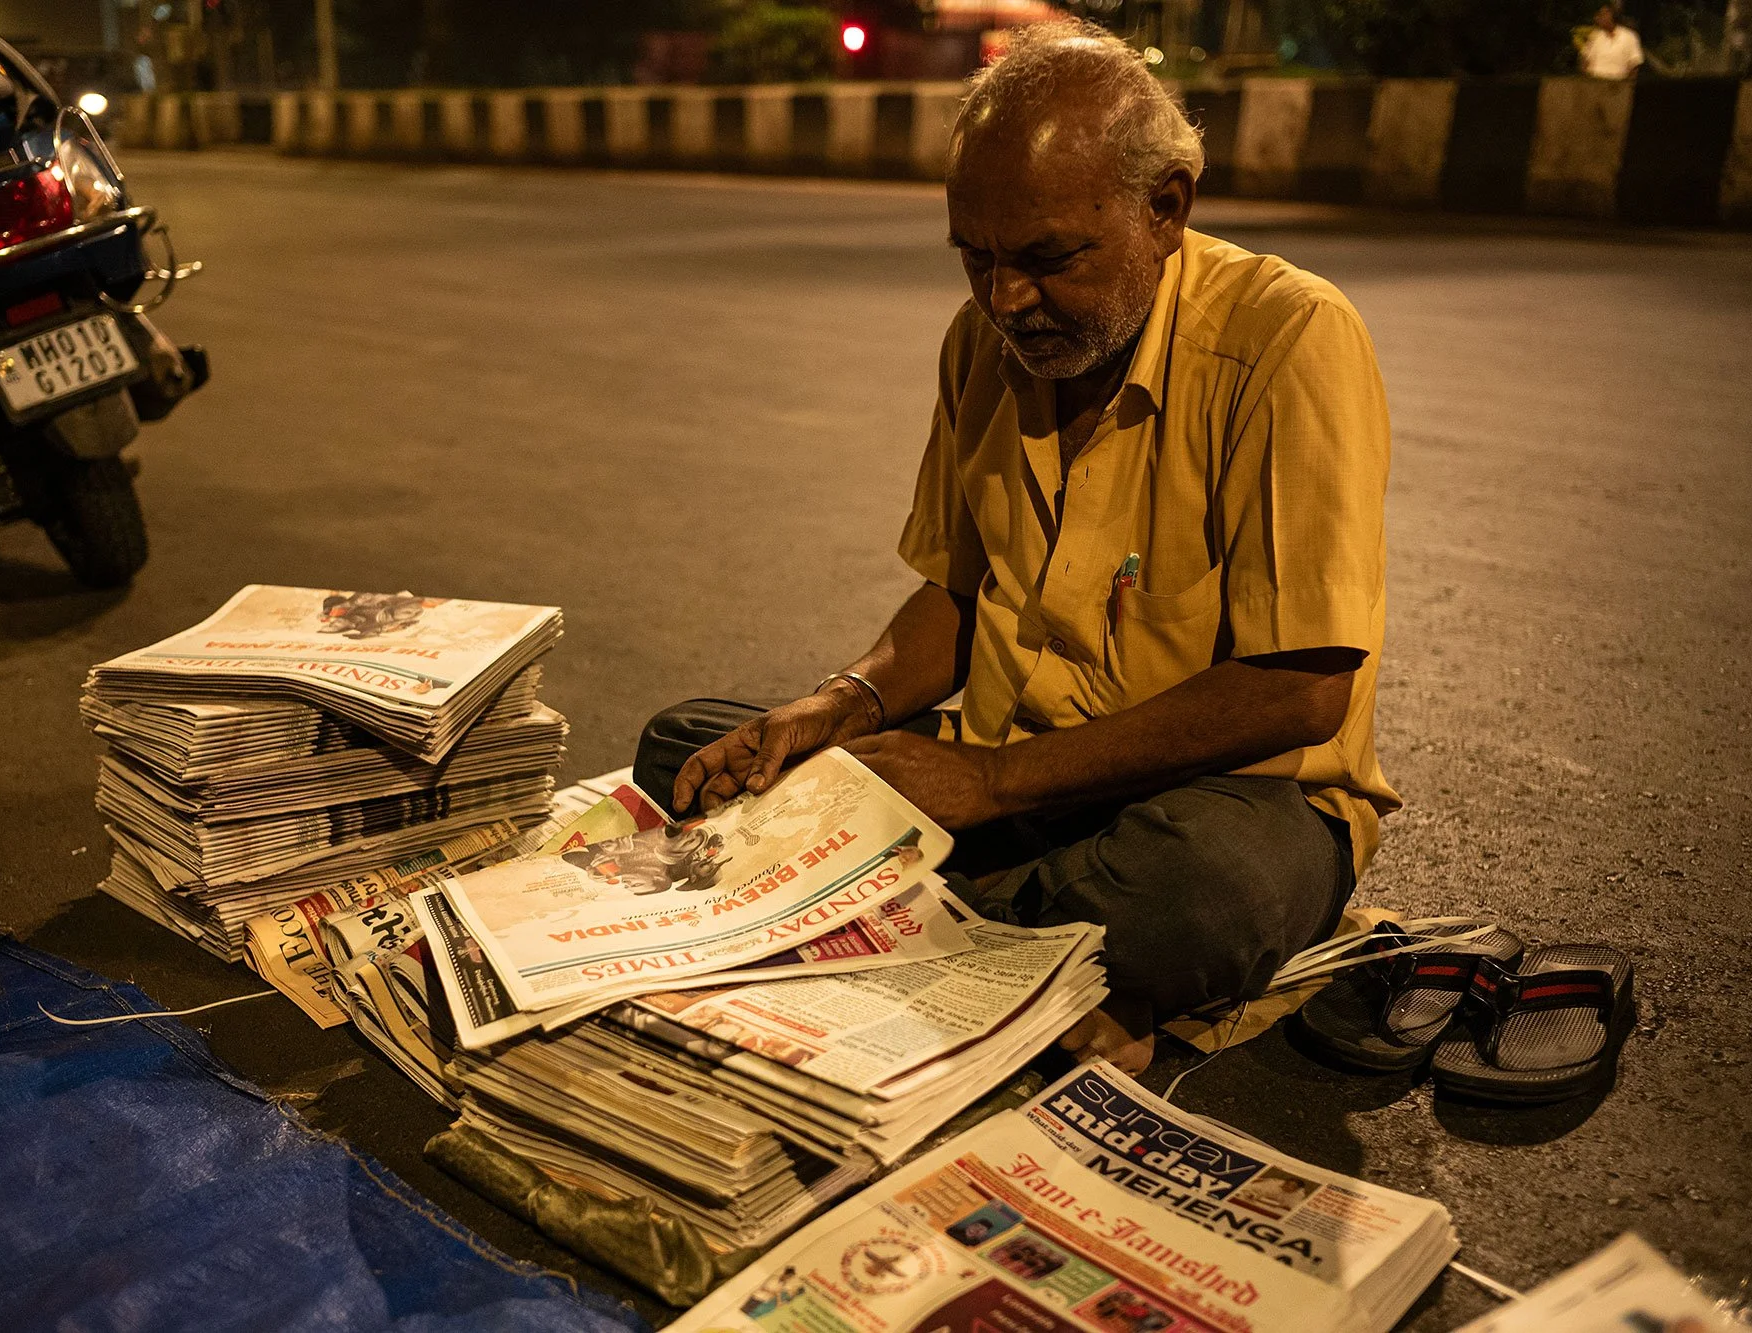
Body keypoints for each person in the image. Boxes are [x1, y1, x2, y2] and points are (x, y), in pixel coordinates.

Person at [633, 20, 1397, 1074]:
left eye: (1047, 260)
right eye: (975, 259)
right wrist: (840, 704)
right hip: (1010, 784)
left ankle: (916, 910)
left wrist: (989, 784)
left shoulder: (1285, 337)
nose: (1005, 300)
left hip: (1214, 802)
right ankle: (1009, 947)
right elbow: (953, 593)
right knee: (686, 747)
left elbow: (1300, 693)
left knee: (1198, 895)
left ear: (1164, 209)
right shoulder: (981, 347)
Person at [1581, 5, 1644, 78]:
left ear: (1611, 15)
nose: (1597, 18)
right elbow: (1585, 60)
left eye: (1602, 15)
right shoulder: (1594, 36)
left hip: (1618, 84)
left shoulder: (1629, 36)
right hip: (1595, 83)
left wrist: (1628, 84)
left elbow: (1635, 64)